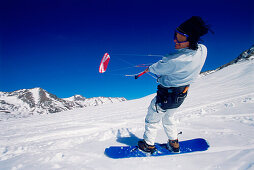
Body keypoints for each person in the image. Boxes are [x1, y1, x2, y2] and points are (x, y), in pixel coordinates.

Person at [138, 16, 211, 153]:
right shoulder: (202, 49)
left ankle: (148, 145)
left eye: (181, 38)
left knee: (152, 119)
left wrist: (149, 69)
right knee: (169, 117)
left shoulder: (173, 60)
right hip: (181, 95)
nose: (175, 40)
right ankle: (174, 143)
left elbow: (157, 68)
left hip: (166, 96)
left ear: (191, 39)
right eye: (175, 35)